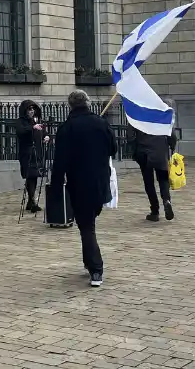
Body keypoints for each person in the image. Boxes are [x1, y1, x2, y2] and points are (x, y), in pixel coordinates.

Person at [52, 90, 116, 288]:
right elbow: (113, 149)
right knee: (88, 225)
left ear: (70, 105)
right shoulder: (101, 123)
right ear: (87, 103)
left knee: (87, 227)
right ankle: (89, 262)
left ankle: (96, 269)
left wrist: (56, 187)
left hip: (79, 183)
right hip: (100, 181)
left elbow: (59, 161)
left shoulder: (67, 128)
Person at [129, 124, 177, 221]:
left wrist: (135, 147)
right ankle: (166, 200)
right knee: (163, 180)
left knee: (149, 183)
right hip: (160, 152)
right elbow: (172, 135)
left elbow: (130, 135)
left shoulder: (139, 113)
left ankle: (155, 211)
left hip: (143, 152)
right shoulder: (161, 113)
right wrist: (171, 146)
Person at [16, 100, 49, 213]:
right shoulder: (21, 121)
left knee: (34, 176)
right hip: (27, 153)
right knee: (29, 175)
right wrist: (32, 127)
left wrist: (46, 137)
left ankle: (31, 201)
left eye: (33, 109)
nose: (32, 111)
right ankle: (32, 201)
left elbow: (43, 132)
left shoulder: (37, 120)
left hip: (37, 153)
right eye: (29, 109)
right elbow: (20, 132)